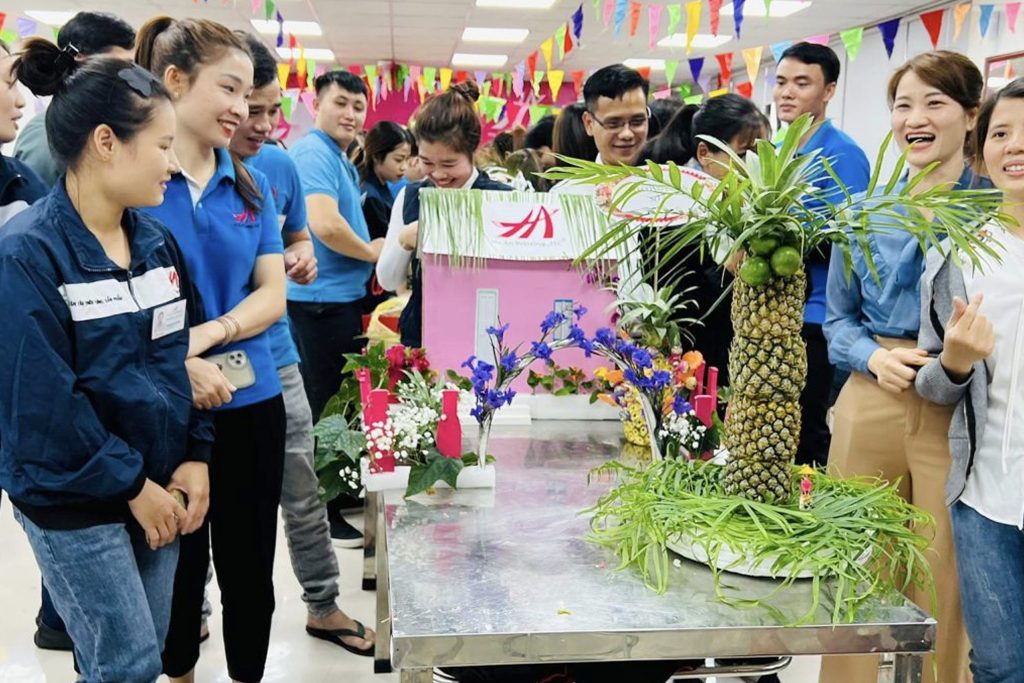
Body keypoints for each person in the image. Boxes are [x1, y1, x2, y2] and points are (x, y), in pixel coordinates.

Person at [3, 38, 213, 682]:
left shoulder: (155, 244)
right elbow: (44, 404)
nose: (172, 164)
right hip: (74, 494)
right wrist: (132, 486)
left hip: (157, 480)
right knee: (126, 664)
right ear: (105, 142)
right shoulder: (28, 254)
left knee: (136, 655)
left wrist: (195, 454)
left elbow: (179, 355)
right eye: (161, 146)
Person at [821, 50, 988, 683]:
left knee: (943, 574)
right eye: (902, 105)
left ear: (970, 115)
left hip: (962, 407)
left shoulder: (997, 210)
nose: (915, 118)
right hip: (871, 397)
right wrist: (869, 356)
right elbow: (836, 320)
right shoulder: (862, 210)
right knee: (855, 566)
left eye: (934, 103)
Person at [135, 17, 288, 683]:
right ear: (174, 81)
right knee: (176, 564)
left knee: (250, 568)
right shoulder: (138, 183)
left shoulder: (250, 184)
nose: (241, 109)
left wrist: (211, 333)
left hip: (251, 400)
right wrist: (178, 359)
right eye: (228, 89)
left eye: (248, 94)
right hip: (164, 408)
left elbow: (272, 294)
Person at [228, 33, 376, 653]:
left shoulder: (281, 165)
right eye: (248, 108)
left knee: (302, 483)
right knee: (212, 494)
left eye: (270, 109)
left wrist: (301, 256)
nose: (262, 124)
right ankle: (196, 613)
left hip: (275, 349)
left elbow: (299, 236)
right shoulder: (176, 176)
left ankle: (323, 603)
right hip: (205, 362)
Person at [915, 77, 1024, 683]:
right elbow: (932, 385)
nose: (1015, 146)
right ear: (982, 152)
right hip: (987, 493)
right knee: (1002, 665)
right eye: (1001, 133)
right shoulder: (957, 257)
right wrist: (955, 360)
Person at [773, 42, 871, 468]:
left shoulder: (842, 153)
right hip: (776, 312)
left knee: (807, 429)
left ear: (829, 91)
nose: (787, 92)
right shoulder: (777, 147)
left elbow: (851, 239)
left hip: (818, 316)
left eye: (802, 83)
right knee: (775, 427)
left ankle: (812, 505)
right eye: (781, 82)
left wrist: (781, 236)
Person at [641, 94, 772, 389]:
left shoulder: (760, 207)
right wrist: (728, 270)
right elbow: (677, 304)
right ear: (704, 153)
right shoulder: (671, 211)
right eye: (744, 154)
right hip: (690, 370)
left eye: (762, 154)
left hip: (748, 366)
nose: (755, 166)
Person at [376, 81, 512, 348]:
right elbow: (388, 280)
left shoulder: (503, 199)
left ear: (472, 152)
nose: (438, 174)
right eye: (427, 162)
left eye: (449, 164)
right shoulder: (411, 197)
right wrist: (404, 241)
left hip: (486, 337)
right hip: (422, 337)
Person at [287, 70, 383, 421]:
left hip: (337, 300)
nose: (350, 114)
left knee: (341, 405)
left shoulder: (338, 155)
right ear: (316, 105)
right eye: (340, 103)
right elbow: (325, 224)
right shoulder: (314, 154)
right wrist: (370, 252)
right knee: (328, 410)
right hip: (320, 304)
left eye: (358, 107)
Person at [13, 12, 135, 188]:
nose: (130, 78)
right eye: (122, 66)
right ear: (82, 58)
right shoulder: (51, 137)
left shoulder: (94, 129)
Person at [582, 64, 651, 167]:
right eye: (613, 124)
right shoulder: (573, 178)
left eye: (637, 122)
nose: (627, 134)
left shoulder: (670, 175)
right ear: (589, 124)